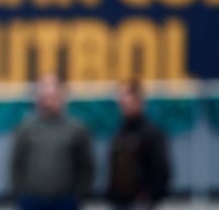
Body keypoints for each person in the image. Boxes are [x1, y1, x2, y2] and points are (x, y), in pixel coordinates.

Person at [10, 74, 95, 210]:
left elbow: (86, 166)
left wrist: (79, 195)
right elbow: (16, 163)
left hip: (66, 201)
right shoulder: (25, 127)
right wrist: (19, 193)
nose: (48, 91)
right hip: (32, 201)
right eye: (44, 87)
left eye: (53, 87)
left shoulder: (76, 129)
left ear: (63, 92)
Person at [106, 82, 171, 210]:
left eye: (127, 99)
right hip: (119, 201)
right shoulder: (120, 132)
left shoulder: (151, 132)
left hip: (140, 203)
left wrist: (150, 196)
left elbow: (161, 169)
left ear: (139, 101)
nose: (123, 104)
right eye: (121, 101)